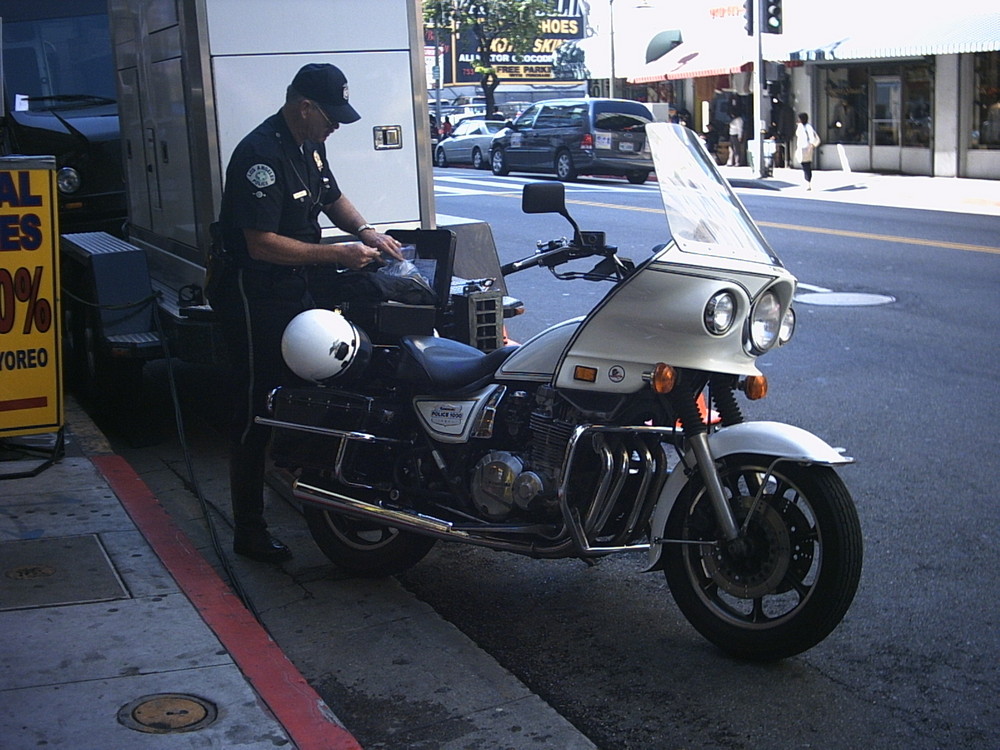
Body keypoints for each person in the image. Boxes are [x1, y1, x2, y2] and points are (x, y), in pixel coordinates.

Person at [212, 63, 403, 562]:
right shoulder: (261, 155)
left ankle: (311, 489)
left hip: (295, 285)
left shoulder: (308, 144)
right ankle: (248, 530)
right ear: (304, 108)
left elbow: (332, 196)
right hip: (254, 291)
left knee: (315, 385)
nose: (337, 125)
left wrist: (366, 233)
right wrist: (338, 254)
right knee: (258, 403)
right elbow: (261, 245)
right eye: (331, 116)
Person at [794, 112, 822, 190]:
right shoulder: (800, 126)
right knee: (804, 164)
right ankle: (807, 181)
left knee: (806, 165)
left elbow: (812, 138)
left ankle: (808, 182)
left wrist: (811, 145)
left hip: (806, 148)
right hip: (801, 148)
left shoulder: (808, 127)